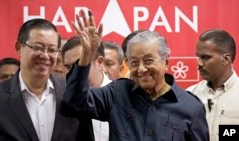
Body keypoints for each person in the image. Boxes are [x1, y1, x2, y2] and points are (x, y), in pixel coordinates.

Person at [64, 10, 209, 141]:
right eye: (134, 62)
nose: (141, 69)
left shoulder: (191, 107)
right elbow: (75, 102)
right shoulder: (117, 93)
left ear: (166, 60)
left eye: (148, 61)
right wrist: (87, 56)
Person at [0, 18, 80, 141]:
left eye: (52, 50)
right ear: (19, 47)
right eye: (38, 47)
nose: (45, 56)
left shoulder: (72, 91)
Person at [186, 29, 239, 141]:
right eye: (198, 57)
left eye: (206, 57)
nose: (199, 63)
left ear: (226, 59)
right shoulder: (190, 95)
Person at [61, 35, 111, 141]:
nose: (73, 73)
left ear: (100, 62)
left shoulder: (121, 95)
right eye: (68, 67)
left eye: (80, 63)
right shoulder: (62, 102)